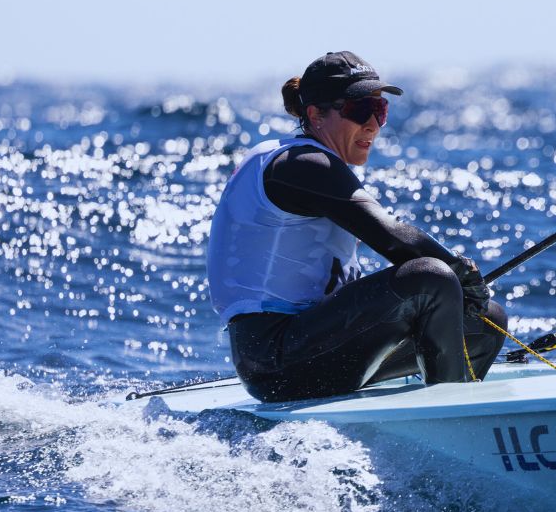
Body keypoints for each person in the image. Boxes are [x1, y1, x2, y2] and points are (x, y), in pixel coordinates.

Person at [206, 51, 507, 402]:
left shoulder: (314, 161)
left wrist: (465, 292)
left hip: (316, 346)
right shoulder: (301, 164)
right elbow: (390, 236)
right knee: (431, 277)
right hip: (274, 361)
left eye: (379, 111)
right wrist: (460, 274)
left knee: (486, 323)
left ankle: (435, 403)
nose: (373, 125)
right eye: (359, 110)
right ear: (315, 115)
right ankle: (452, 410)